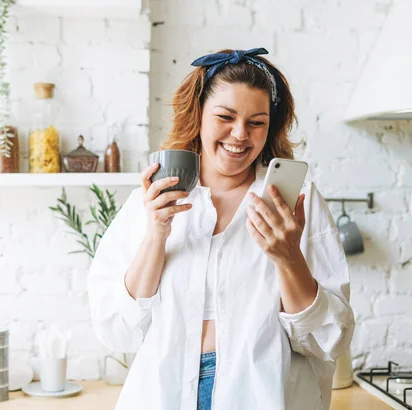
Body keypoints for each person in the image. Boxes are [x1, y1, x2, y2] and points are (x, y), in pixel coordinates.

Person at [87, 47, 355, 410]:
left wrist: (289, 257)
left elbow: (327, 341)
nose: (240, 134)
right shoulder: (150, 202)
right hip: (164, 391)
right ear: (198, 115)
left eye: (257, 122)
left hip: (262, 393)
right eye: (225, 116)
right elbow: (116, 328)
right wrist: (157, 235)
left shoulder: (295, 202)